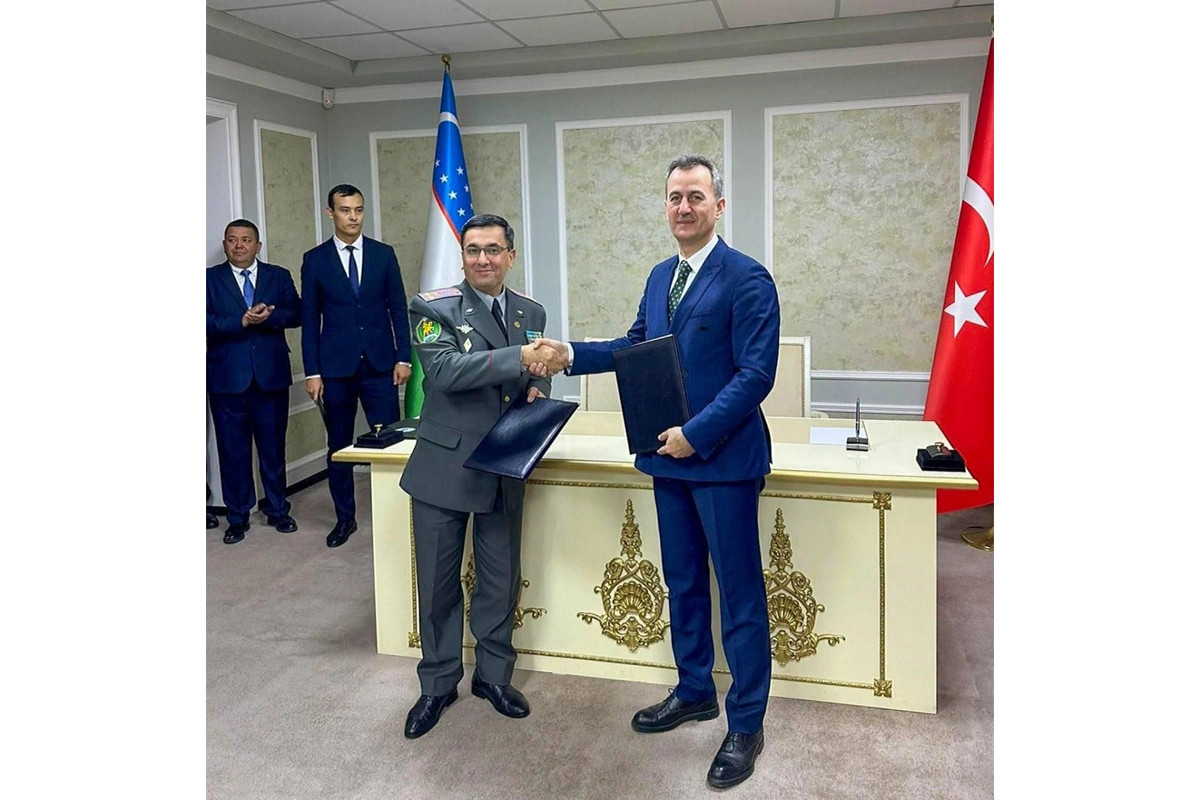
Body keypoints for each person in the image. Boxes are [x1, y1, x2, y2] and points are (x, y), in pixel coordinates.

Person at [535, 155, 780, 789]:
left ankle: (746, 723)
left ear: (718, 206)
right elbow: (635, 347)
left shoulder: (747, 278)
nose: (683, 207)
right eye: (674, 197)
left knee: (741, 597)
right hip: (667, 461)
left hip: (722, 463)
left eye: (695, 196)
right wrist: (569, 353)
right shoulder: (659, 277)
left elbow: (756, 376)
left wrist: (695, 435)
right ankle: (694, 689)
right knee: (683, 582)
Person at [398, 213, 560, 739]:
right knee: (438, 585)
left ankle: (493, 677)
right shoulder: (433, 306)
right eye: (473, 250)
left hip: (504, 463)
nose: (483, 259)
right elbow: (445, 371)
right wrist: (521, 359)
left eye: (493, 249)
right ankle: (438, 684)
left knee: (498, 580)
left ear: (510, 255)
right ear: (462, 256)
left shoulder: (530, 311)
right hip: (445, 466)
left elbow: (537, 374)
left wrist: (538, 387)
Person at [301, 184, 412, 548]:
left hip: (380, 365)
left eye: (359, 210)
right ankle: (344, 519)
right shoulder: (315, 260)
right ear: (331, 213)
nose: (353, 217)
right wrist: (313, 372)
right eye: (346, 210)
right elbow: (309, 320)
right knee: (339, 446)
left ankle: (396, 517)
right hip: (335, 370)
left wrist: (403, 356)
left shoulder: (383, 254)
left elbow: (398, 308)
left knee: (391, 442)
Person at [206, 219, 302, 545]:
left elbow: (297, 313)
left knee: (273, 450)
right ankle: (237, 517)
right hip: (227, 380)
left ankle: (277, 510)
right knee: (233, 453)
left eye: (246, 239)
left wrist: (269, 317)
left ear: (258, 245)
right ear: (224, 245)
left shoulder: (278, 276)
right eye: (232, 239)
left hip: (270, 378)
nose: (239, 245)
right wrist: (241, 320)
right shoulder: (209, 279)